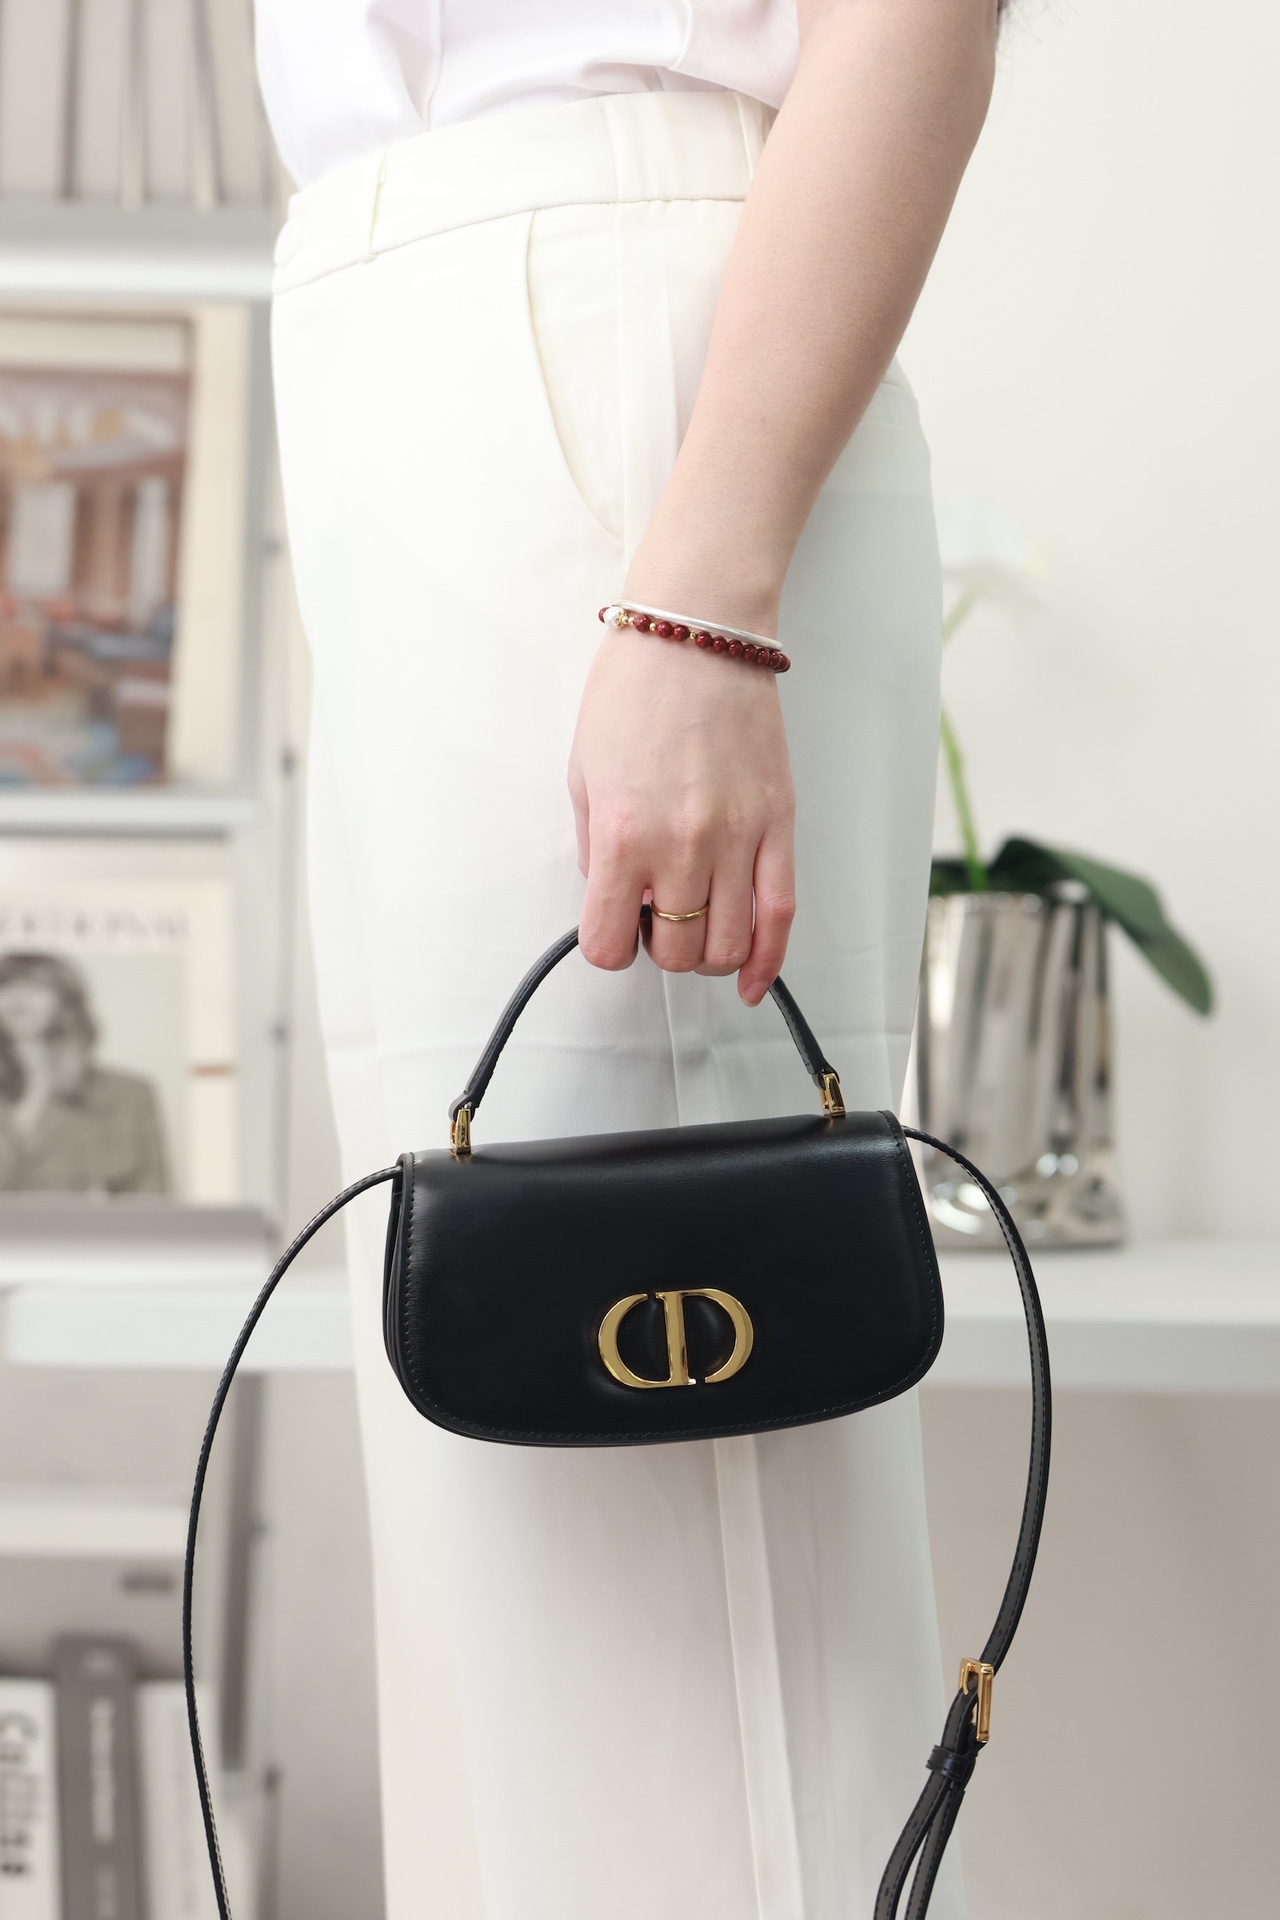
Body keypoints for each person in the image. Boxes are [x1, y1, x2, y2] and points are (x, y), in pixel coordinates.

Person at [256, 3, 998, 1915]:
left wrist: (701, 601)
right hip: (392, 332)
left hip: (612, 347)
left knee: (681, 1550)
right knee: (499, 1489)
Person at [0, 951, 169, 1192]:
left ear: (67, 1002)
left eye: (35, 987)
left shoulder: (129, 1094)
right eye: (6, 986)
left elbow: (151, 1196)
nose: (19, 999)